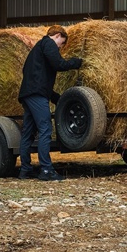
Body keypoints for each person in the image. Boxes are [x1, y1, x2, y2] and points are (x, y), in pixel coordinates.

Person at [18, 25, 82, 181]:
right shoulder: (48, 43)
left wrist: (54, 97)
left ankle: (25, 170)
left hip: (28, 94)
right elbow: (58, 64)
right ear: (58, 35)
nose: (60, 47)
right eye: (62, 43)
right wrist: (75, 63)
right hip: (36, 95)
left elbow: (37, 77)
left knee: (28, 133)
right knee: (45, 129)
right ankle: (46, 170)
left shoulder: (36, 51)